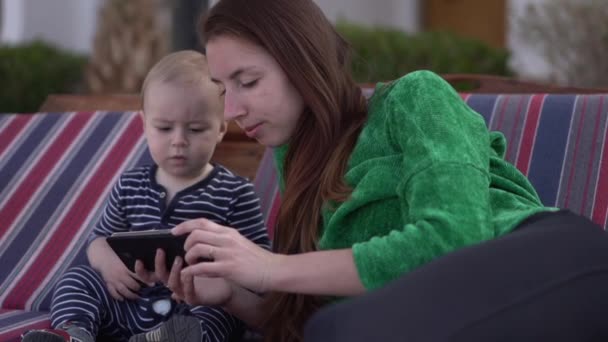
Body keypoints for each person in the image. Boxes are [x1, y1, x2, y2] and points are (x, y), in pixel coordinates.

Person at [152, 1, 608, 342]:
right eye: (222, 89)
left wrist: (272, 268)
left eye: (247, 82)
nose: (231, 109)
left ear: (301, 62)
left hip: (548, 258)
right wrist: (236, 295)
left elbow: (454, 237)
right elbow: (320, 315)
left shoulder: (414, 98)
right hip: (444, 311)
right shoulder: (296, 159)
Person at [21, 50, 270, 342]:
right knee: (77, 279)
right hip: (129, 302)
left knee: (220, 312)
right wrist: (108, 264)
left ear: (220, 129)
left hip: (191, 305)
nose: (178, 140)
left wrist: (223, 280)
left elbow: (257, 263)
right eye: (164, 128)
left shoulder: (235, 192)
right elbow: (99, 240)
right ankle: (74, 334)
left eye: (196, 129)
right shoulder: (130, 184)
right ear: (144, 124)